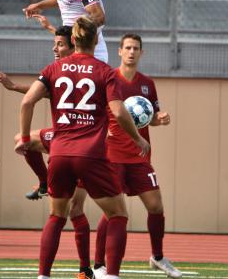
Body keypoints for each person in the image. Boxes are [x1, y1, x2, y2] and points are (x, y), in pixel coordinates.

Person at [19, 16, 150, 279]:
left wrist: (25, 139)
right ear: (96, 40)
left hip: (59, 152)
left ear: (74, 40)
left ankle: (43, 275)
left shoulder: (54, 68)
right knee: (117, 214)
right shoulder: (105, 72)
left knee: (56, 215)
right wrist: (137, 139)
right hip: (91, 154)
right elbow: (118, 111)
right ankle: (110, 275)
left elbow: (27, 102)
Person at [0, 21, 95, 278]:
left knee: (74, 209)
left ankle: (84, 268)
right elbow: (43, 93)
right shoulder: (65, 69)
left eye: (59, 44)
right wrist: (14, 86)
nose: (55, 48)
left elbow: (36, 97)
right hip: (75, 143)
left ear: (75, 43)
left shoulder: (81, 67)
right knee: (23, 139)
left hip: (81, 143)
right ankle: (43, 182)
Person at [93, 34, 182, 279]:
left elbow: (149, 116)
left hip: (140, 155)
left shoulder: (147, 84)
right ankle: (98, 264)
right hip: (113, 155)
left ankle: (158, 256)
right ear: (119, 51)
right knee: (112, 211)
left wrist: (159, 119)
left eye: (136, 48)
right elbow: (99, 112)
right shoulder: (108, 79)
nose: (132, 52)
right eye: (128, 48)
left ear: (142, 53)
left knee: (156, 206)